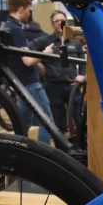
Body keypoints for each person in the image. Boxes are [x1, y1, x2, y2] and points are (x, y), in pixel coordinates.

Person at [5, 0, 53, 145]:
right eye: (28, 10)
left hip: (22, 83)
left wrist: (38, 64)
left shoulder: (8, 27)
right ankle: (44, 154)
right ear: (21, 9)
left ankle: (19, 151)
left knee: (22, 123)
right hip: (30, 83)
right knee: (47, 122)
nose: (29, 13)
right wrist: (45, 53)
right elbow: (27, 60)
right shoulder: (15, 30)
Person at [30, 9, 86, 137]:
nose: (60, 23)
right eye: (56, 21)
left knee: (79, 117)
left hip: (72, 86)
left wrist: (82, 76)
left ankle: (82, 144)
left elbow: (83, 62)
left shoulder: (74, 41)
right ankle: (60, 147)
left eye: (62, 20)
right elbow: (29, 51)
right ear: (52, 24)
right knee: (57, 121)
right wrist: (39, 62)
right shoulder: (45, 41)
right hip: (53, 87)